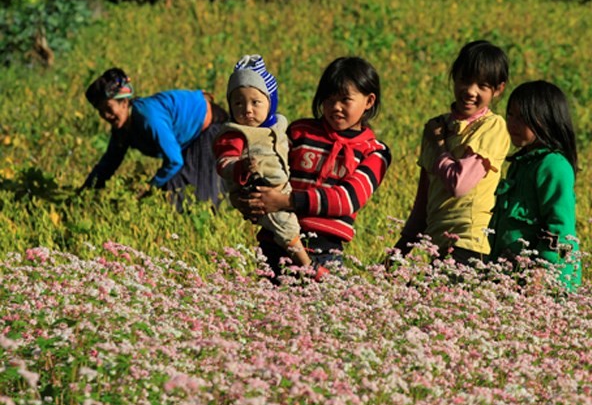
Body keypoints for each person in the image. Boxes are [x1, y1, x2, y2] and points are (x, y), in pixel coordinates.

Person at [233, 56, 391, 280]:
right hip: (274, 244)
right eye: (329, 99)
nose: (335, 107)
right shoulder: (299, 132)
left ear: (369, 101)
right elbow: (270, 169)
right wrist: (249, 198)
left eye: (345, 100)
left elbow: (347, 200)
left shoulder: (374, 151)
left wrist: (285, 201)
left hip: (325, 252)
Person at [393, 40, 511, 266]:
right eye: (464, 80)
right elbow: (423, 200)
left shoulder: (492, 126)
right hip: (436, 245)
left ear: (498, 90)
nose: (470, 91)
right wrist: (400, 249)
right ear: (454, 77)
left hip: (469, 244)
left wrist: (439, 145)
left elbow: (459, 184)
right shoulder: (436, 127)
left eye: (482, 86)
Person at [213, 55, 311, 268]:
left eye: (255, 102)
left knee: (292, 223)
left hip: (283, 187)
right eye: (238, 103)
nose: (247, 109)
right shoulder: (235, 134)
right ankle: (308, 266)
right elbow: (223, 163)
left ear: (270, 103)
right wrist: (241, 167)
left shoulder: (278, 125)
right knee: (285, 227)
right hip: (259, 192)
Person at [81, 68, 228, 209]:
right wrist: (83, 193)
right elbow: (109, 162)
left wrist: (150, 186)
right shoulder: (122, 130)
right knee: (170, 190)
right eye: (101, 111)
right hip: (189, 139)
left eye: (108, 108)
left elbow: (174, 160)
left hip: (211, 129)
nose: (106, 116)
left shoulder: (148, 118)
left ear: (124, 103)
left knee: (182, 194)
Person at [488, 80, 581, 291]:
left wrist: (542, 271)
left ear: (547, 120)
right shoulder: (520, 164)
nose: (512, 123)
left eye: (522, 118)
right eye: (510, 114)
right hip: (512, 277)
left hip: (544, 283)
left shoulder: (553, 166)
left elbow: (560, 226)